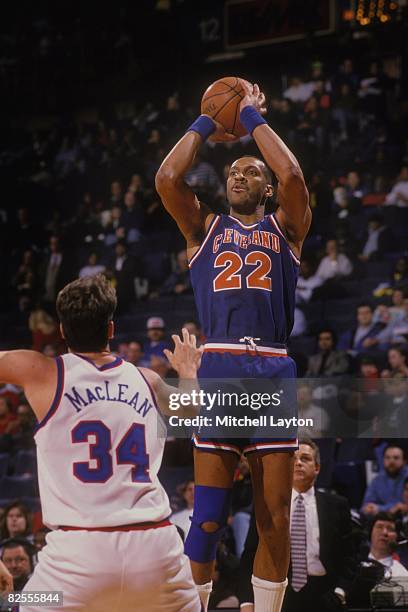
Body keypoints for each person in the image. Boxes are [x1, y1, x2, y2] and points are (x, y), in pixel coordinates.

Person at [156, 80, 311, 612]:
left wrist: (247, 117)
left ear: (266, 190)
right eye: (233, 171)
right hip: (221, 366)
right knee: (207, 516)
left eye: (251, 172)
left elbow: (291, 172)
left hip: (270, 368)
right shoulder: (203, 227)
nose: (239, 175)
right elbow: (167, 177)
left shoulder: (287, 228)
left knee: (272, 521)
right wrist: (206, 120)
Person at [0, 274, 203, 611]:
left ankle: (12, 598)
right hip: (155, 549)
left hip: (79, 558)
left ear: (62, 330)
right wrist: (188, 372)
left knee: (25, 600)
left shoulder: (41, 371)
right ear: (111, 329)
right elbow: (192, 411)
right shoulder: (147, 380)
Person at [237, 439, 355, 611]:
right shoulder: (268, 504)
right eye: (293, 458)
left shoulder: (337, 505)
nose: (298, 463)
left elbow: (349, 554)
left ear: (317, 468)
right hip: (280, 591)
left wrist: (340, 592)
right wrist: (247, 601)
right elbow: (250, 555)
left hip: (324, 594)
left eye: (305, 458)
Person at [361, 445, 408, 516]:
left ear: (404, 461)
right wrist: (369, 509)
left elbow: (403, 506)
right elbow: (365, 507)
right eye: (387, 458)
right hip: (383, 519)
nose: (391, 461)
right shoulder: (377, 480)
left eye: (396, 458)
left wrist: (380, 508)